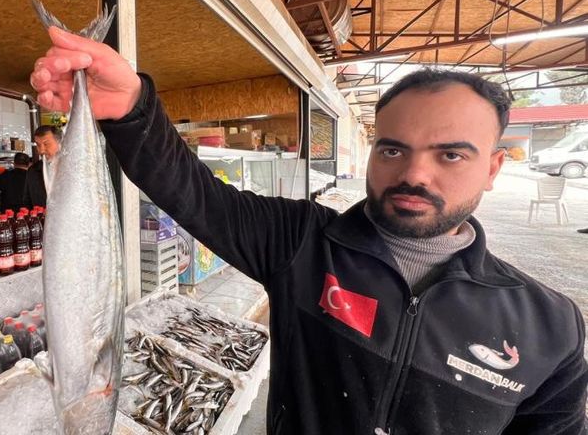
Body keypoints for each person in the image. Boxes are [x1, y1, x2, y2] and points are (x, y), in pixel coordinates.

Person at [30, 27, 588, 434]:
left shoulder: (551, 326)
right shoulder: (301, 242)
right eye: (393, 149)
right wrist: (129, 106)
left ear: (493, 168)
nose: (415, 174)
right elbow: (193, 193)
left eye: (451, 155)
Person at [22, 125, 61, 208]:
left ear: (60, 143)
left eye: (46, 144)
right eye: (38, 145)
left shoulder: (72, 168)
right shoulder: (33, 171)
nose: (41, 150)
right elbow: (27, 202)